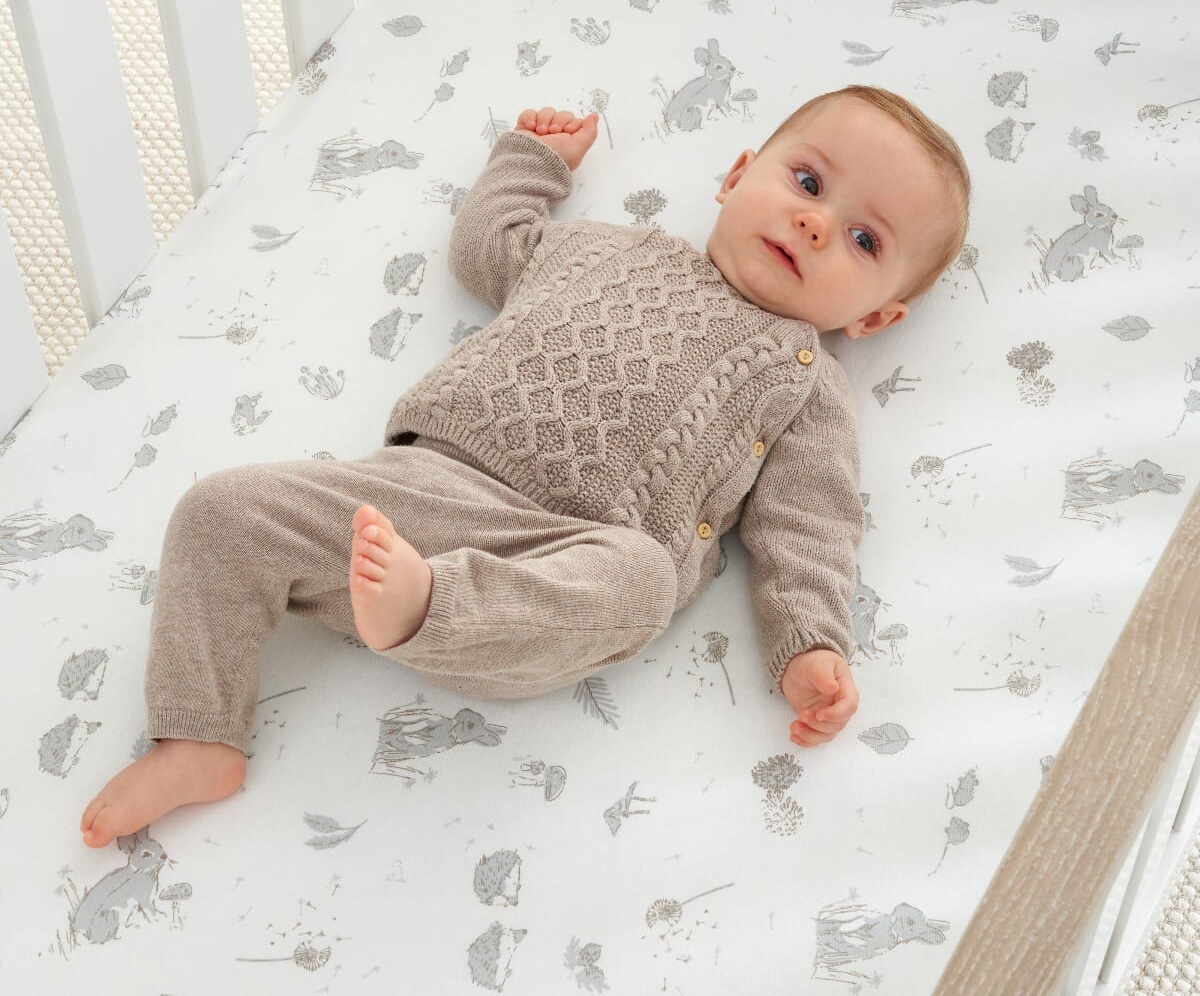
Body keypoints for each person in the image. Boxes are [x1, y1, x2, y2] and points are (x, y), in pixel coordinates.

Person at [80, 85, 970, 849]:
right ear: (738, 176)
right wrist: (533, 160)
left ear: (877, 319)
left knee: (640, 580)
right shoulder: (603, 248)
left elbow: (811, 525)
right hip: (407, 500)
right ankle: (200, 734)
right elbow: (487, 248)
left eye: (862, 241)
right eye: (808, 183)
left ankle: (430, 608)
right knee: (220, 510)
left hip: (562, 559)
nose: (817, 224)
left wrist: (809, 643)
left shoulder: (803, 381)